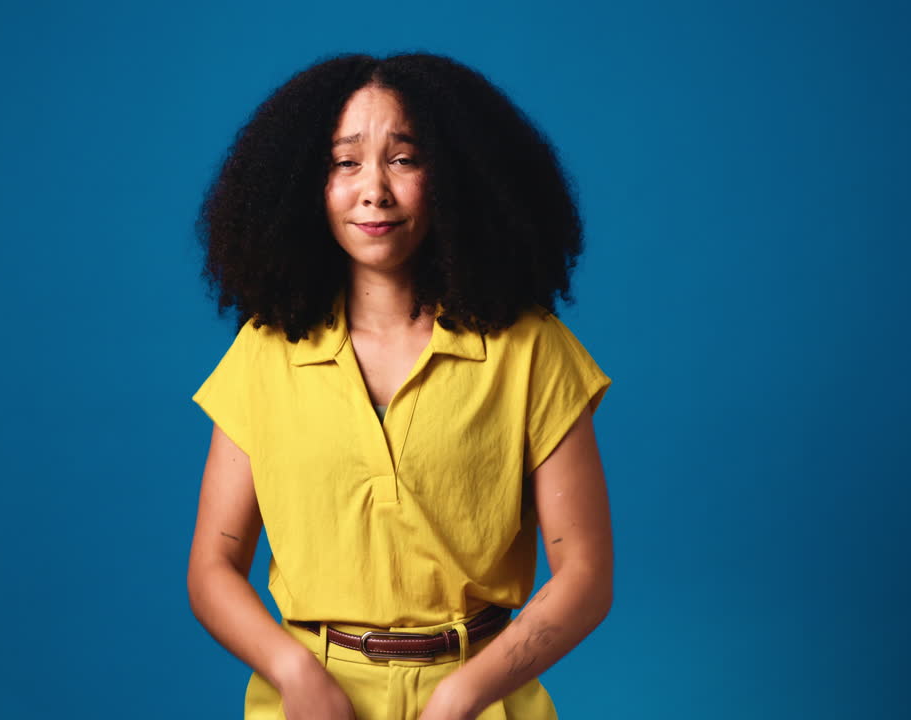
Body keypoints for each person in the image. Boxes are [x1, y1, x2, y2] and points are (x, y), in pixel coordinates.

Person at [187, 52, 614, 720]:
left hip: (484, 697)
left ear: (455, 174)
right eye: (344, 161)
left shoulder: (532, 350)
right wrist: (293, 672)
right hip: (311, 703)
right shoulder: (263, 354)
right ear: (302, 182)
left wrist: (464, 695)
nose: (374, 190)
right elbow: (212, 567)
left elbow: (584, 575)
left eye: (405, 159)